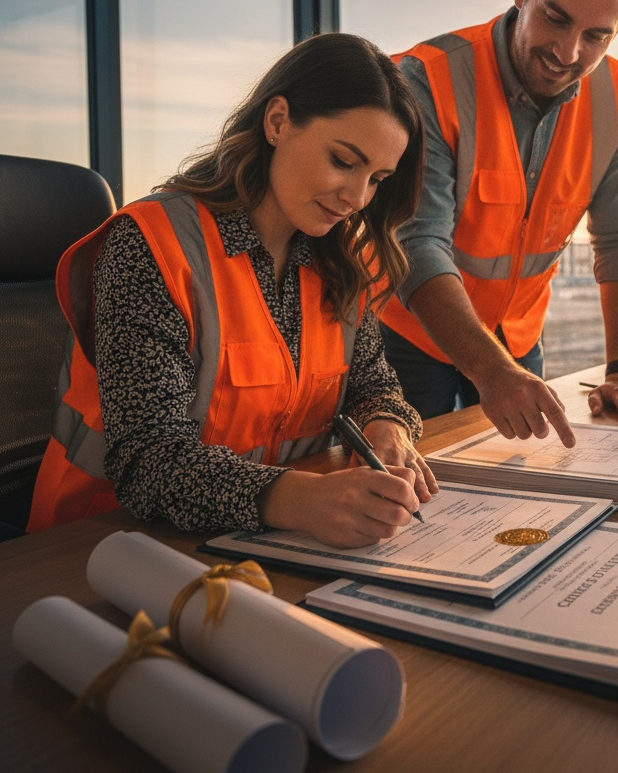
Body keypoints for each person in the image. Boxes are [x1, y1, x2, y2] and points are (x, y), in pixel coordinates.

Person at [28, 33, 439, 546]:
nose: (357, 197)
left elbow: (373, 384)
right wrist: (299, 500)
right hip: (101, 549)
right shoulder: (152, 244)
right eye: (343, 161)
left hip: (262, 546)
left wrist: (386, 428)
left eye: (377, 179)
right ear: (278, 122)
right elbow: (147, 458)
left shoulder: (338, 262)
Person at [380, 0, 618, 448]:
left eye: (596, 36)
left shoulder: (617, 97)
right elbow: (418, 244)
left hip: (516, 341)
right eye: (555, 18)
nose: (568, 52)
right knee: (410, 504)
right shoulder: (429, 79)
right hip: (409, 338)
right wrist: (490, 373)